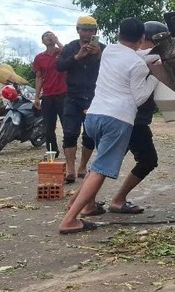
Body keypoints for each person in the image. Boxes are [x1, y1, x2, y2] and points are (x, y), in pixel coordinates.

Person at [58, 18, 159, 234]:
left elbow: (140, 54)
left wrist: (158, 56)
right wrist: (155, 77)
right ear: (142, 37)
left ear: (119, 34)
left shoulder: (110, 50)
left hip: (94, 116)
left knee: (98, 165)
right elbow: (139, 98)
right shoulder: (137, 65)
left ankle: (77, 204)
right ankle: (70, 220)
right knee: (101, 170)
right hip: (117, 119)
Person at [106, 21, 169, 214]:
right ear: (145, 41)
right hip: (132, 121)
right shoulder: (138, 61)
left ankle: (86, 202)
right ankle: (117, 200)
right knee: (147, 160)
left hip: (127, 119)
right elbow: (140, 96)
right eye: (158, 44)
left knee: (105, 162)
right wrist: (156, 72)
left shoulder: (130, 58)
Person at [56, 16, 106, 183]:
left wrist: (99, 55)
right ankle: (70, 169)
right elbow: (59, 66)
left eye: (91, 30)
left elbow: (113, 68)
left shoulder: (102, 48)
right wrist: (77, 56)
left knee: (90, 134)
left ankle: (82, 166)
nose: (87, 33)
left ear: (95, 32)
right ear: (78, 30)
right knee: (70, 133)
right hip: (73, 96)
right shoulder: (70, 47)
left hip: (95, 97)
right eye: (84, 30)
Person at [32, 32, 67, 157]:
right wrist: (36, 97)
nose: (49, 37)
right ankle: (52, 152)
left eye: (51, 35)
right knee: (48, 127)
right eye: (46, 36)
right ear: (42, 41)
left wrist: (57, 41)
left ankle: (69, 151)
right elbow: (39, 77)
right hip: (47, 96)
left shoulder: (61, 51)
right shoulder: (39, 57)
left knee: (67, 125)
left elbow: (69, 54)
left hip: (63, 94)